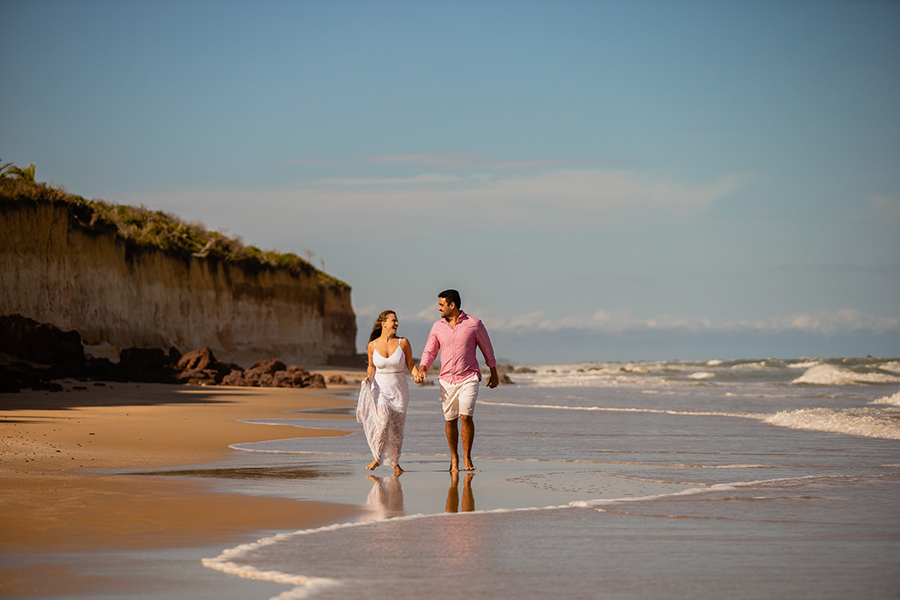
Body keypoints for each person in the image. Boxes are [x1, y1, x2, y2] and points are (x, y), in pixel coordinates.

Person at [418, 289, 498, 472]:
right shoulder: (437, 327)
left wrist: (493, 371)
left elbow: (487, 348)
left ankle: (467, 456)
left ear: (452, 305)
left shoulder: (474, 324)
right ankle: (454, 458)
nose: (439, 309)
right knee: (450, 419)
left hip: (468, 377)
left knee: (465, 416)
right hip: (446, 379)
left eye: (441, 305)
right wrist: (423, 368)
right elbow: (430, 351)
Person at [357, 310, 421, 475]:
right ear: (383, 323)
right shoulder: (372, 345)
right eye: (393, 321)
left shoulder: (403, 342)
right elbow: (372, 366)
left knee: (397, 429)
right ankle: (377, 458)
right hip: (380, 389)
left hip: (399, 390)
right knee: (383, 423)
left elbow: (410, 364)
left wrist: (417, 375)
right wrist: (368, 378)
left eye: (397, 321)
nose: (397, 324)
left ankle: (395, 462)